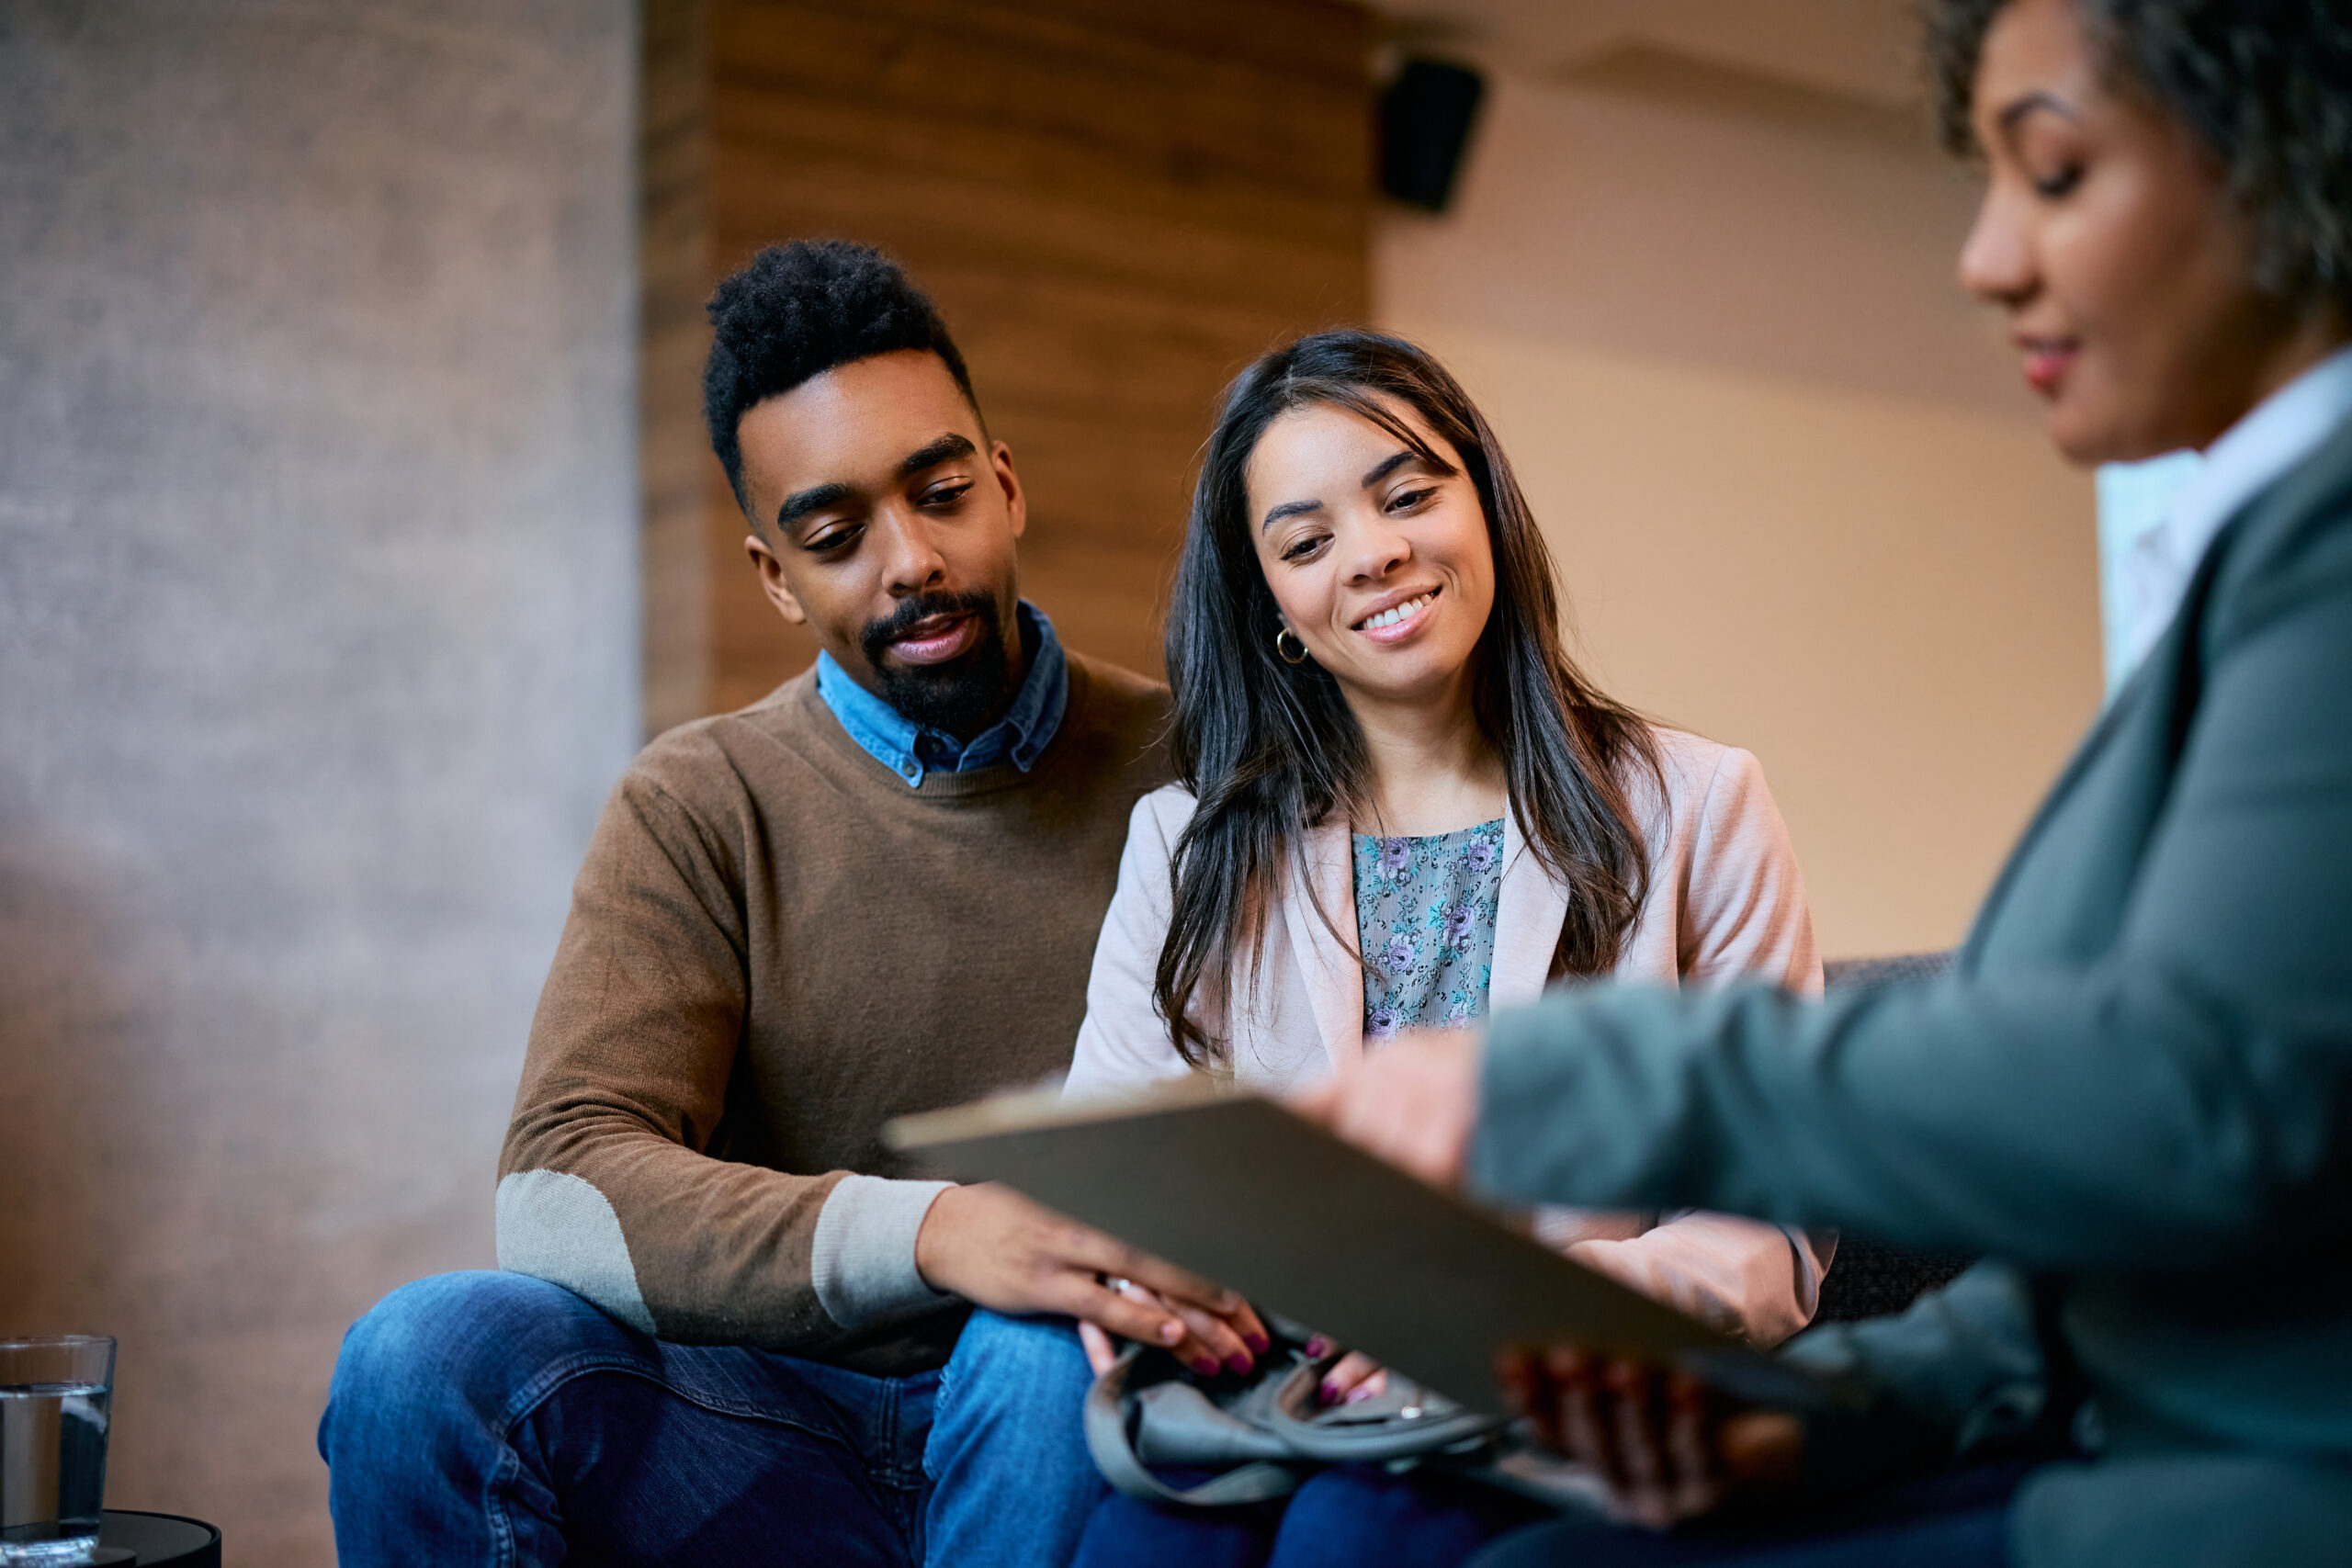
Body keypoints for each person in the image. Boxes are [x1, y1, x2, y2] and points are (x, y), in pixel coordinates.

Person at [1298, 2, 2352, 1565]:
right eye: (1305, 538)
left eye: (2053, 174)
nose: (1986, 258)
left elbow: (2187, 1097)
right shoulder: (2238, 566)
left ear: (2288, 155)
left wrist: (1555, 1083)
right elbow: (2092, 1266)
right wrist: (1815, 1414)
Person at [316, 240, 1261, 1566]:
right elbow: (560, 1190)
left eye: (941, 495)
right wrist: (941, 1232)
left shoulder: (1200, 765)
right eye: (835, 536)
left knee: (1042, 1337)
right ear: (775, 576)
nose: (909, 560)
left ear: (1007, 486)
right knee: (421, 1355)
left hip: (1073, 1406)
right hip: (767, 1422)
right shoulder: (701, 801)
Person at [924, 329, 1831, 1568]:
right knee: (1147, 1549)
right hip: (1265, 1404)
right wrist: (1138, 1277)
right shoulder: (1188, 847)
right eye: (1307, 541)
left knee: (1352, 1534)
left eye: (1409, 495)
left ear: (1485, 509)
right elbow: (1117, 1170)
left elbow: (1770, 1236)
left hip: (1548, 1405)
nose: (1375, 553)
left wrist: (1501, 1311)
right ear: (1276, 606)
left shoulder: (1700, 806)